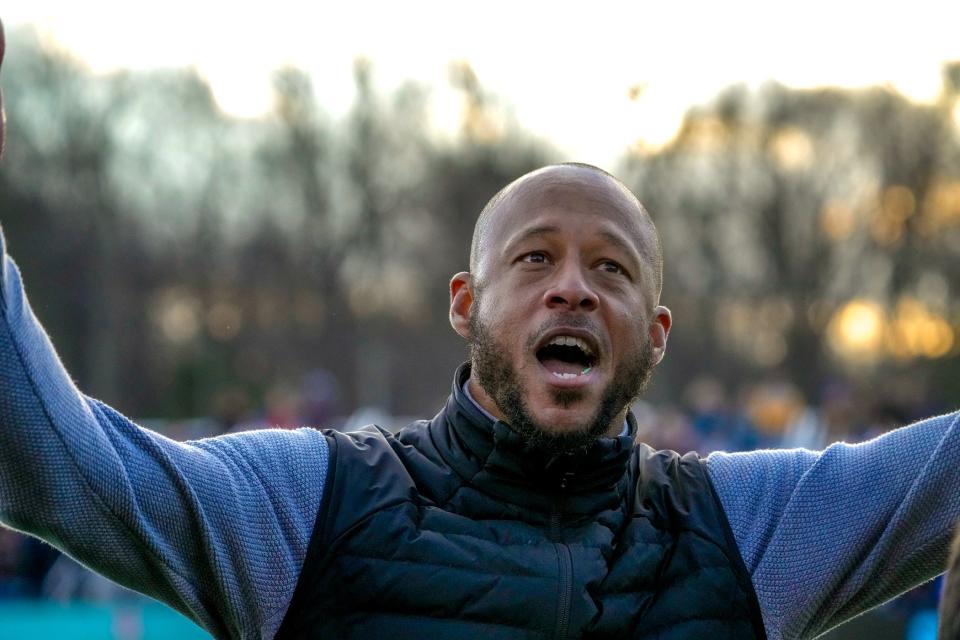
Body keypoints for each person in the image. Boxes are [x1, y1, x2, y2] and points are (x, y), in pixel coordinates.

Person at [2, 21, 960, 640]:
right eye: (536, 259)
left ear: (657, 331)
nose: (574, 290)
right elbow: (61, 465)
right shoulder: (311, 507)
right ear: (466, 304)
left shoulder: (753, 530)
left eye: (612, 270)